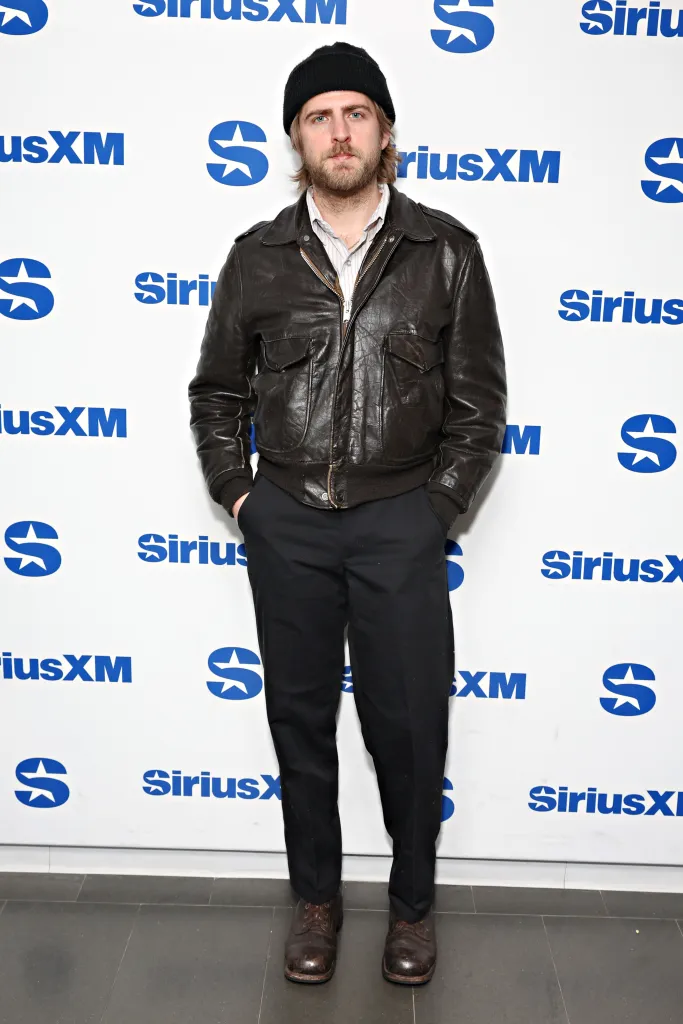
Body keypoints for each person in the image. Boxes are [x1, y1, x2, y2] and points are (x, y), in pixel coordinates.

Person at [188, 41, 506, 987]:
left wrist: (435, 510)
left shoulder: (446, 252)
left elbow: (477, 406)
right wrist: (241, 496)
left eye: (356, 113)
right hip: (284, 517)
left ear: (385, 132)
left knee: (408, 725)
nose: (339, 131)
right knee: (297, 722)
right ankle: (315, 903)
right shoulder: (257, 259)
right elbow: (215, 394)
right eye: (320, 115)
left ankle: (412, 908)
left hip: (398, 519)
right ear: (296, 136)